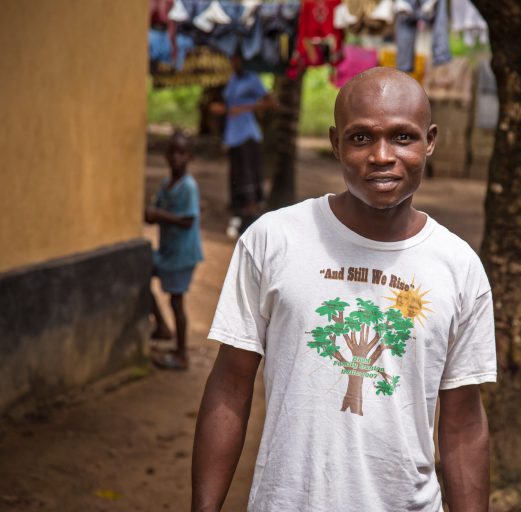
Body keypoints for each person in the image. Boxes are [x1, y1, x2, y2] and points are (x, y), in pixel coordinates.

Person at [193, 67, 496, 511]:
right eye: (361, 138)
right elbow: (230, 386)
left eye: (403, 138)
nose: (381, 156)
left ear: (429, 141)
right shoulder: (274, 240)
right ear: (336, 143)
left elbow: (463, 422)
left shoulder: (458, 267)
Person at [145, 131, 203, 370]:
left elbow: (188, 221)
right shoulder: (165, 185)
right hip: (167, 252)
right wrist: (151, 213)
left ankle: (182, 354)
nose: (176, 157)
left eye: (182, 153)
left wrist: (158, 215)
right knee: (141, 272)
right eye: (172, 152)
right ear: (166, 155)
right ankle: (161, 326)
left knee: (177, 302)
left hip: (182, 255)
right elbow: (155, 208)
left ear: (189, 157)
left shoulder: (188, 187)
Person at [210, 52, 277, 238]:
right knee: (237, 176)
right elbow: (229, 107)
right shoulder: (232, 79)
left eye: (237, 59)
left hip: (247, 134)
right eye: (232, 59)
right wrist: (224, 110)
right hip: (232, 135)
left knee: (248, 174)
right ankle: (239, 215)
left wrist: (244, 108)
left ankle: (251, 216)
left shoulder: (253, 79)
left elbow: (271, 101)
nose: (234, 62)